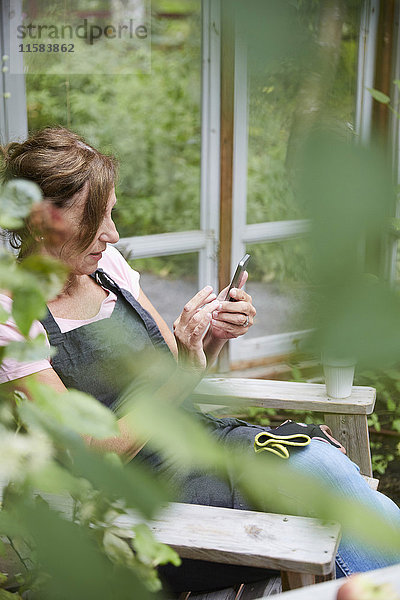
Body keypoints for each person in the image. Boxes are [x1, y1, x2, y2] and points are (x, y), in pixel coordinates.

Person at [0, 127, 399, 591]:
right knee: (320, 488)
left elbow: (173, 371)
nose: (112, 233)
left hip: (195, 443)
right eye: (95, 217)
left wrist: (208, 338)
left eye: (111, 213)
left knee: (323, 468)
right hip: (139, 505)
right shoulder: (11, 316)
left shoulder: (107, 268)